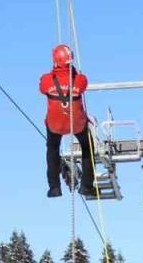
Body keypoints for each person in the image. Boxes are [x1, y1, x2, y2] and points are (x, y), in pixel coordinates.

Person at [39, 44, 96, 198]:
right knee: (87, 148)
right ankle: (86, 186)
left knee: (52, 149)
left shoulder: (46, 80)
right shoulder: (80, 80)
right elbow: (81, 85)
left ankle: (54, 188)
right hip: (76, 123)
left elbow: (42, 88)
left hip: (54, 124)